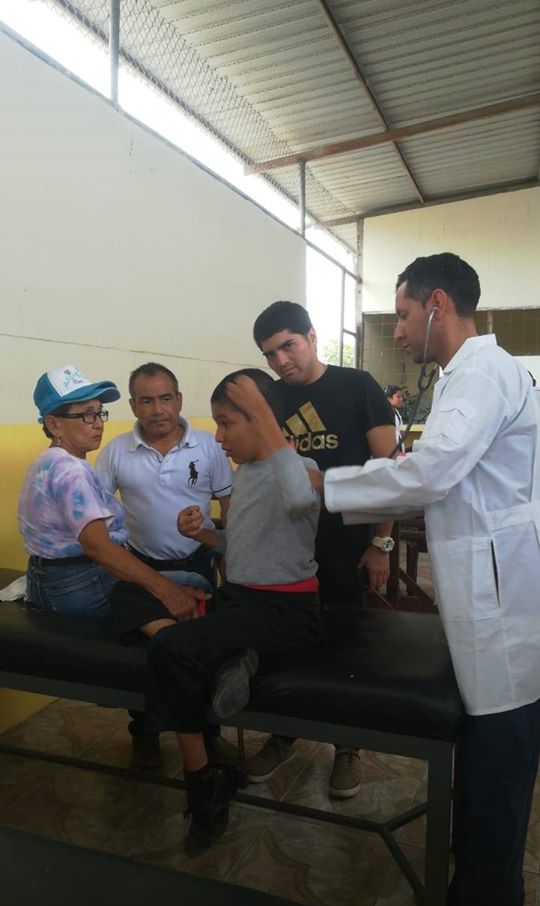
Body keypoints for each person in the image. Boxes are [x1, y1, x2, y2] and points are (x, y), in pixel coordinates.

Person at [315, 253, 540, 906]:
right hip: (496, 588)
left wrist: (324, 487)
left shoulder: (479, 373)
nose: (400, 330)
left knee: (495, 775)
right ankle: (497, 898)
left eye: (404, 314)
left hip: (501, 605)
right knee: (496, 768)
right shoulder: (470, 375)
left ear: (437, 303)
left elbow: (432, 473)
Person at [111, 369, 321, 856]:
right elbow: (242, 543)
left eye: (227, 424)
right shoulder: (245, 473)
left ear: (260, 420)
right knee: (127, 593)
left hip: (285, 610)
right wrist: (204, 535)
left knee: (170, 648)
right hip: (239, 601)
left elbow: (300, 497)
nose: (219, 438)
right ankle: (226, 655)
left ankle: (204, 786)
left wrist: (266, 414)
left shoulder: (301, 468)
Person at [249, 302, 396, 798]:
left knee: (344, 650)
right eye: (270, 354)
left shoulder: (357, 386)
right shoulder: (271, 399)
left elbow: (388, 470)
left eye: (288, 346)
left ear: (312, 337)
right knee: (285, 647)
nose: (281, 361)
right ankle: (282, 732)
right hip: (287, 550)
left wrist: (380, 543)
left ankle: (347, 746)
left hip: (346, 546)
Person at [95, 362, 234, 767]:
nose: (158, 409)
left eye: (165, 398)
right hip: (141, 570)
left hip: (199, 566)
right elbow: (96, 514)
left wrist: (232, 567)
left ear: (179, 400)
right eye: (147, 400)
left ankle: (209, 736)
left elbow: (231, 509)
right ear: (133, 405)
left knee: (199, 654)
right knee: (144, 658)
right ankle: (144, 733)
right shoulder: (116, 452)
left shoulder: (209, 446)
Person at [19, 364, 205, 623]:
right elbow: (98, 547)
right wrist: (167, 591)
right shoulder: (71, 470)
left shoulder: (45, 461)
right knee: (194, 584)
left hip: (44, 580)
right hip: (79, 584)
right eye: (86, 415)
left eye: (99, 413)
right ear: (54, 424)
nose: (98, 424)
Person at [384, 384, 405, 452]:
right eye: (398, 397)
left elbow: (399, 430)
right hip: (389, 450)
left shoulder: (397, 412)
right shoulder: (383, 413)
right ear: (389, 398)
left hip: (399, 448)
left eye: (401, 397)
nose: (401, 399)